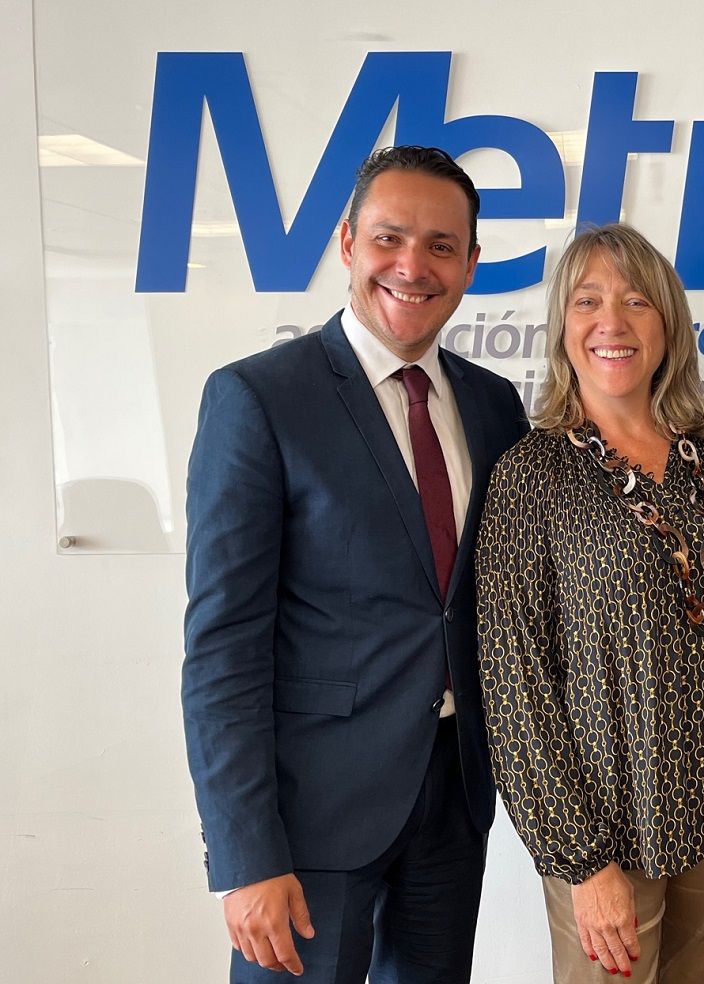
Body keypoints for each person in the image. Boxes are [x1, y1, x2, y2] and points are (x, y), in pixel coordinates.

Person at [182, 145, 528, 984]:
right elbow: (222, 648)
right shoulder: (259, 398)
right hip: (306, 826)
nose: (413, 266)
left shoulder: (491, 404)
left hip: (451, 804)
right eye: (389, 238)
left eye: (442, 245)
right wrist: (243, 855)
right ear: (346, 243)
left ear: (473, 264)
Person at [475, 223, 704, 983]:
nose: (612, 322)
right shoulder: (531, 474)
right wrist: (580, 862)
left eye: (636, 300)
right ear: (563, 328)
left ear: (668, 322)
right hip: (609, 826)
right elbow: (515, 686)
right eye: (588, 301)